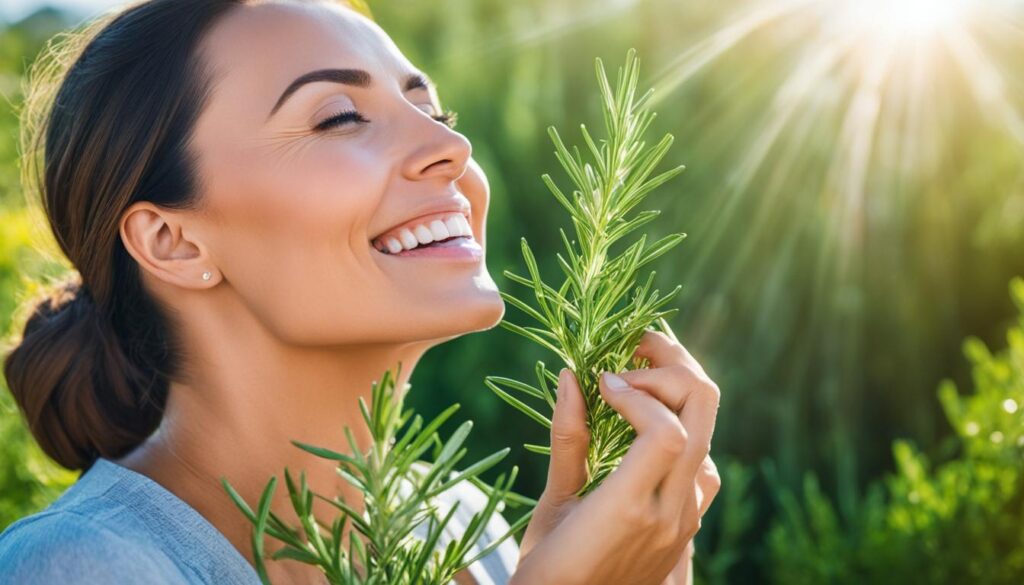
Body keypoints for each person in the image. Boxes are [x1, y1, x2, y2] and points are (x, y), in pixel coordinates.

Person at [0, 1, 722, 583]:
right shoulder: (80, 566)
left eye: (435, 112)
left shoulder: (467, 525)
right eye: (339, 116)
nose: (453, 148)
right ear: (174, 241)